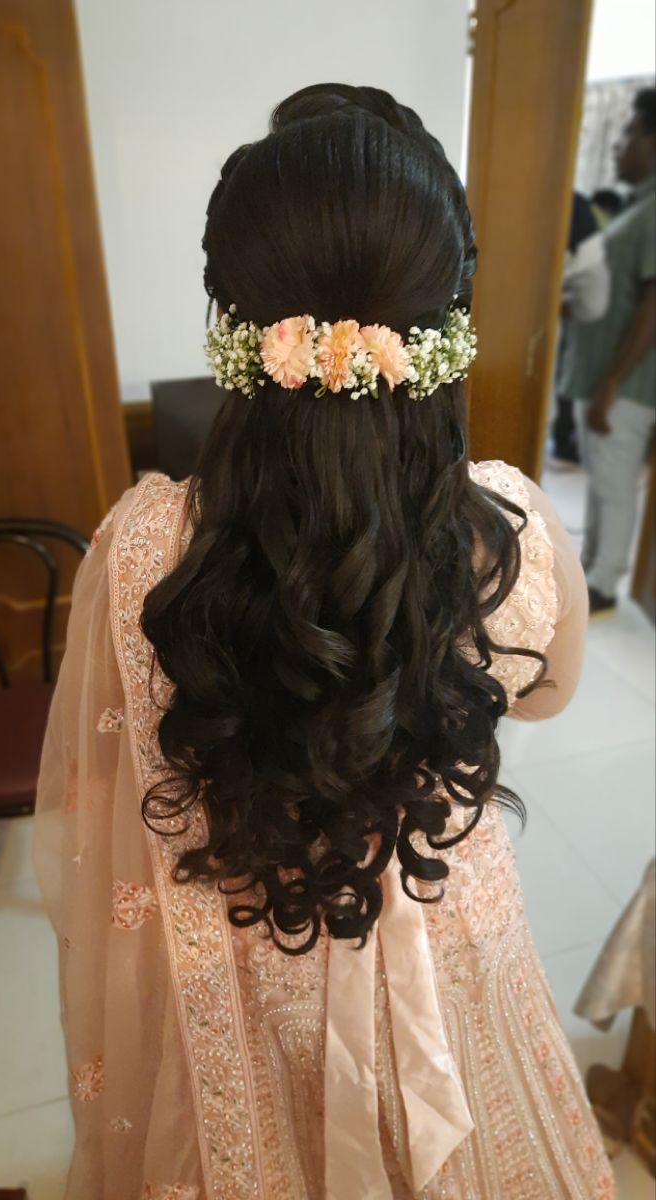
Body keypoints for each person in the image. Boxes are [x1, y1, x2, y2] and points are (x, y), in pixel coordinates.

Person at [34, 84, 614, 1199]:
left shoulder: (142, 542)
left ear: (237, 322)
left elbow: (104, 779)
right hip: (443, 939)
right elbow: (543, 698)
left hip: (237, 962)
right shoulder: (507, 531)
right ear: (445, 323)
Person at [559, 87, 656, 616]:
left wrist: (614, 381)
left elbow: (652, 304)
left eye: (628, 135)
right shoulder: (636, 208)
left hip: (625, 384)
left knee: (615, 485)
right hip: (600, 376)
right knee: (601, 479)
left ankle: (605, 580)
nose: (618, 146)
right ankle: (594, 565)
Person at [552, 193, 610, 463]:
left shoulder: (573, 210)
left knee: (571, 380)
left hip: (590, 318)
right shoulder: (580, 209)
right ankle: (566, 441)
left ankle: (567, 442)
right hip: (584, 312)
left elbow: (593, 304)